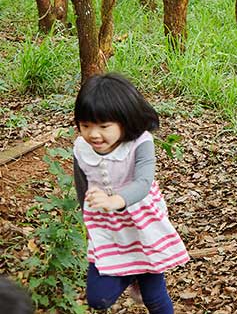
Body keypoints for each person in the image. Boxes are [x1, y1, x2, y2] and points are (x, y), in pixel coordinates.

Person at [72, 73, 189, 314]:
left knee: (154, 297)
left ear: (124, 121)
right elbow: (81, 186)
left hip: (142, 222)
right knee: (98, 299)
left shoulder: (139, 143)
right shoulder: (82, 149)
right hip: (106, 225)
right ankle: (132, 272)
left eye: (103, 127)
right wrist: (86, 218)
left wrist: (116, 200)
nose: (93, 134)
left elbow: (144, 182)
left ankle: (140, 270)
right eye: (85, 126)